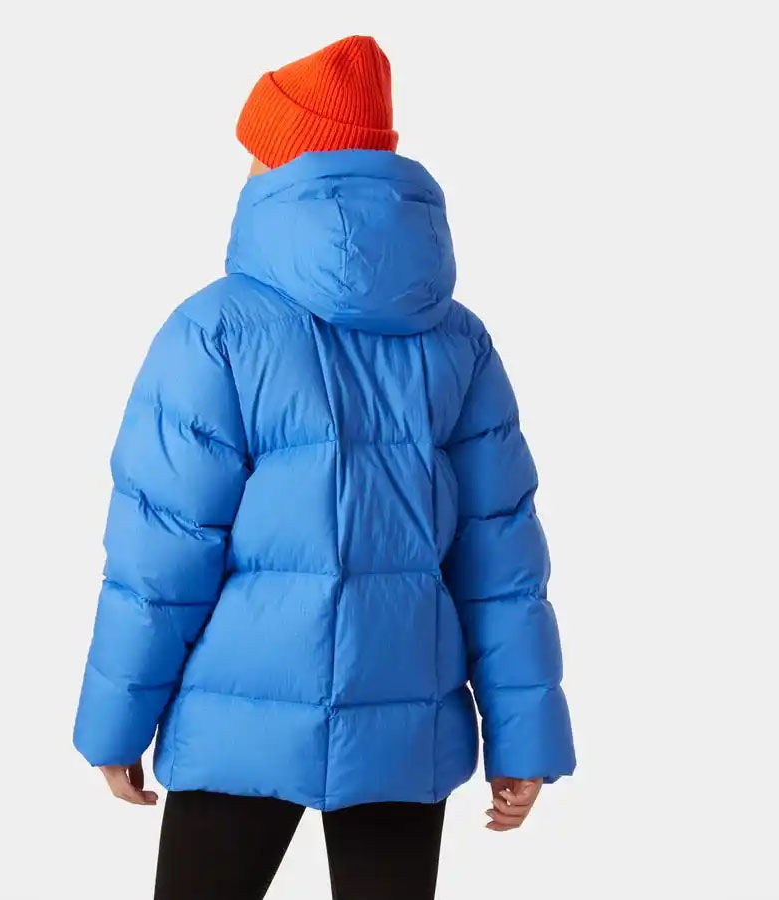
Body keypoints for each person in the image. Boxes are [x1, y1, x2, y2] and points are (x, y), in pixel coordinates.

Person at [73, 35, 575, 900]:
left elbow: (160, 554)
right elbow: (501, 560)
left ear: (283, 161)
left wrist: (115, 724)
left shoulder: (215, 329)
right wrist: (522, 736)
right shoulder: (457, 337)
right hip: (405, 725)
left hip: (237, 717)